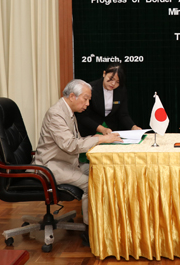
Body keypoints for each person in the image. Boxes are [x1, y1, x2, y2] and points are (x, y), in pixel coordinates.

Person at [33, 79, 121, 244]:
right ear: (73, 96)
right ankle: (89, 230)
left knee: (98, 171)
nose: (87, 104)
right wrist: (100, 139)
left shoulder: (68, 111)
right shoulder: (56, 114)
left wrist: (97, 138)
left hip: (66, 162)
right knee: (90, 183)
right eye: (85, 99)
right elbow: (71, 145)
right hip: (50, 166)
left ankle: (104, 221)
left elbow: (76, 141)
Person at [76, 63, 141, 137]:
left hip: (111, 129)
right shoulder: (91, 88)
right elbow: (83, 116)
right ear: (104, 74)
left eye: (118, 82)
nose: (113, 84)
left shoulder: (121, 90)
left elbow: (123, 114)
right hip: (91, 130)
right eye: (111, 79)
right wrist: (102, 129)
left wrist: (133, 127)